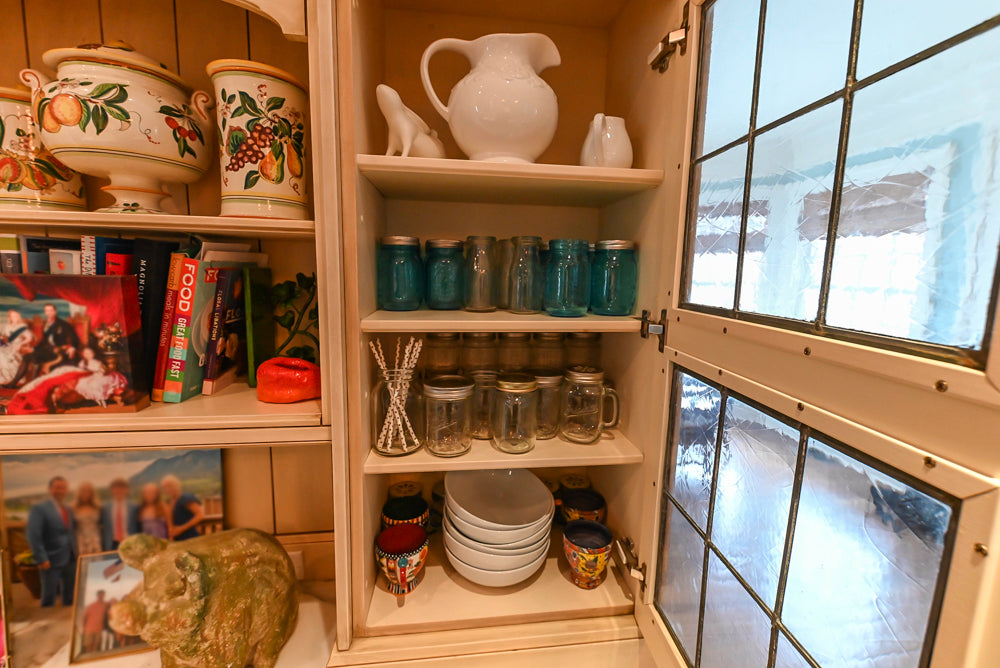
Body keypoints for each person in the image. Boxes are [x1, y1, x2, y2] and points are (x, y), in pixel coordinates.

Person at [26, 476, 76, 607]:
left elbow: (69, 531)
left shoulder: (67, 508)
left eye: (63, 488)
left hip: (70, 556)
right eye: (57, 487)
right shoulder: (39, 508)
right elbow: (33, 535)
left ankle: (66, 617)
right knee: (49, 595)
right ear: (50, 489)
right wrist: (41, 558)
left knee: (69, 594)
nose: (60, 491)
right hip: (50, 558)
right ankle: (46, 620)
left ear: (66, 490)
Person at [34, 303, 81, 376]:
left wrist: (72, 348)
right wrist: (34, 348)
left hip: (59, 350)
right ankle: (27, 381)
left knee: (35, 356)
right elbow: (44, 340)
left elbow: (75, 338)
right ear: (45, 312)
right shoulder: (45, 324)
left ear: (55, 311)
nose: (49, 313)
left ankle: (36, 379)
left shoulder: (63, 324)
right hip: (47, 350)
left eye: (51, 310)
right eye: (47, 311)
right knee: (28, 356)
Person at [100, 478, 139, 552]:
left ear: (127, 490)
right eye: (116, 488)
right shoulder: (105, 507)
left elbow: (138, 527)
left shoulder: (134, 507)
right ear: (111, 491)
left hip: (130, 543)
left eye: (122, 488)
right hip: (111, 544)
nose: (119, 491)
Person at [162, 475, 204, 541]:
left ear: (177, 485)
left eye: (170, 485)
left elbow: (200, 515)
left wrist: (181, 528)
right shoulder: (168, 502)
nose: (168, 489)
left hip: (190, 537)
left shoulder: (186, 498)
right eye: (165, 487)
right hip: (177, 539)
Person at [0, 309, 35, 388]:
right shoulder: (6, 326)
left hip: (17, 346)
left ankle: (12, 378)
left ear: (18, 317)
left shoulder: (22, 327)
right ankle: (4, 377)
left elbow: (29, 338)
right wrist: (2, 339)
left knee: (3, 354)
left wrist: (20, 344)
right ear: (10, 318)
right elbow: (5, 337)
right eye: (12, 316)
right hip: (7, 346)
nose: (14, 318)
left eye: (16, 316)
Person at [72, 482, 102, 555]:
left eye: (88, 491)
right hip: (81, 541)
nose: (85, 493)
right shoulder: (73, 508)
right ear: (79, 493)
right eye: (83, 491)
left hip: (96, 540)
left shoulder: (97, 507)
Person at [81, 590, 108, 654]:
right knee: (88, 647)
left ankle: (93, 660)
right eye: (100, 595)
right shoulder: (91, 606)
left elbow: (113, 603)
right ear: (97, 596)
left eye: (103, 595)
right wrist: (84, 628)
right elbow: (84, 617)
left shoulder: (105, 605)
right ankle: (88, 660)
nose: (102, 596)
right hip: (89, 629)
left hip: (99, 629)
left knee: (96, 647)